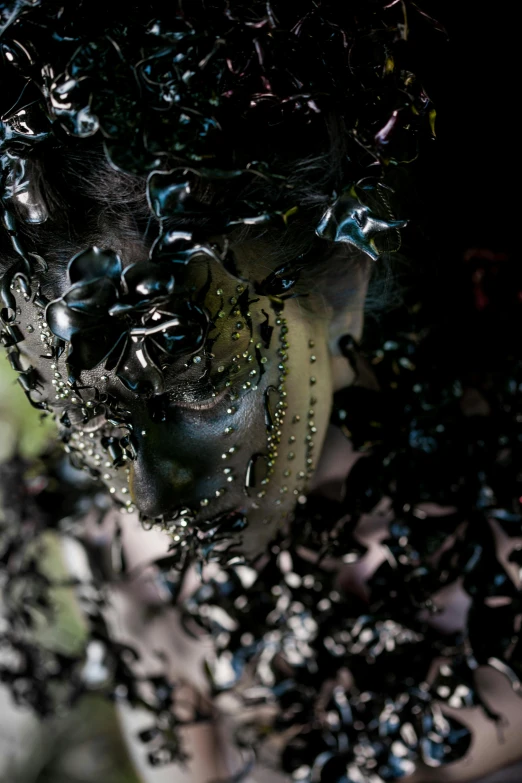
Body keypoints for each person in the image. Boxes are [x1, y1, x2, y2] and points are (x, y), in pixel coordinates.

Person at [1, 2, 521, 782]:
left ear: (346, 277)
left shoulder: (501, 544)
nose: (144, 493)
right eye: (89, 410)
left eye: (202, 393)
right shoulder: (117, 546)